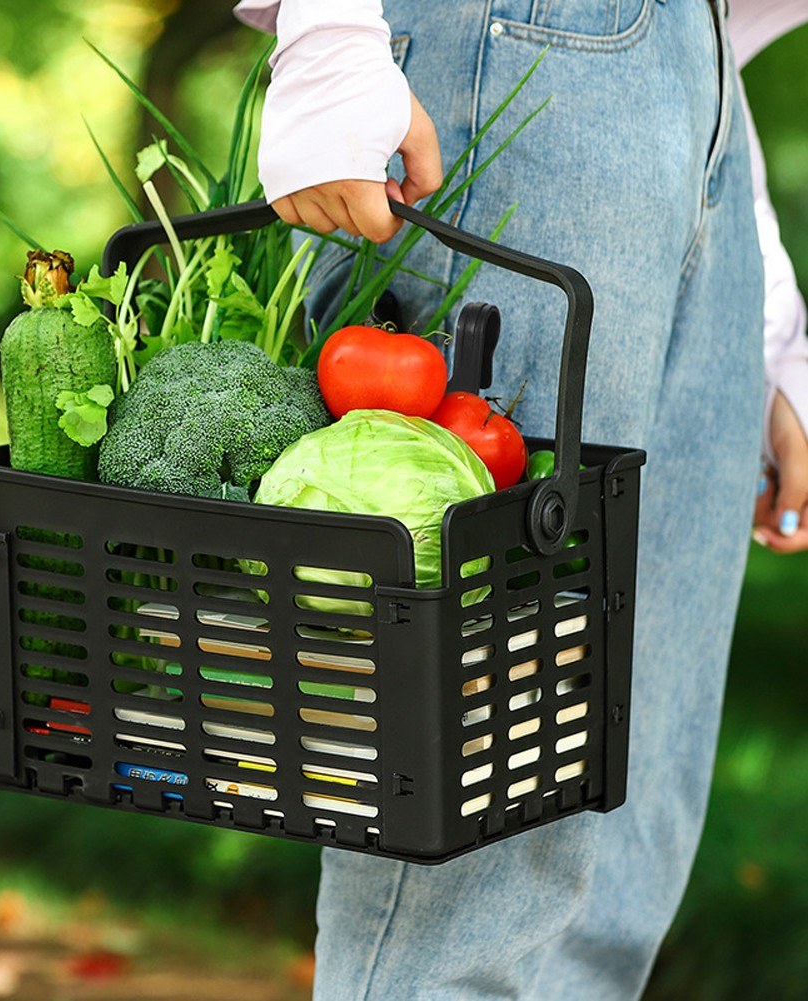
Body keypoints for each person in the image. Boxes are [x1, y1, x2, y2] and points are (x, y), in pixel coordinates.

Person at [233, 1, 808, 999]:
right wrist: (327, 30)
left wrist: (760, 317)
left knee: (606, 882)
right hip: (509, 45)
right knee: (469, 884)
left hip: (693, 78)